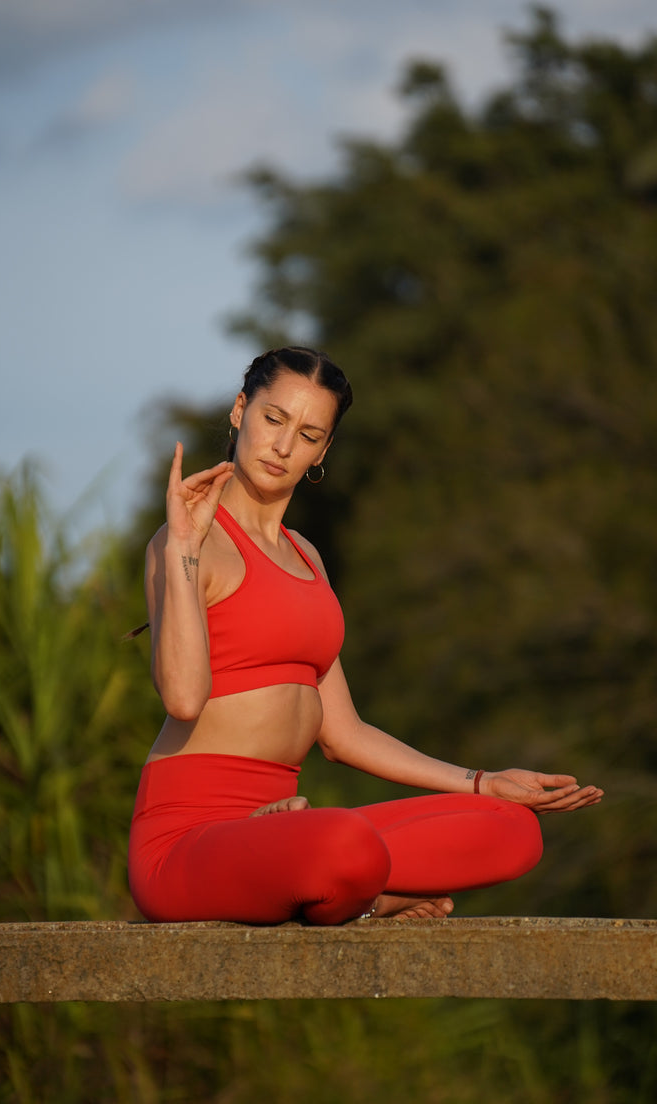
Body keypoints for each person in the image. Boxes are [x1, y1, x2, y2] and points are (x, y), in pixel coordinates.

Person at [127, 347, 602, 924]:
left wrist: (481, 783)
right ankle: (358, 893)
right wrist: (183, 547)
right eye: (273, 419)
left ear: (323, 449)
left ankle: (347, 891)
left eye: (307, 434)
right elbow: (181, 698)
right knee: (341, 842)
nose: (282, 446)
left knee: (514, 830)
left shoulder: (307, 557)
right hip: (189, 838)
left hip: (287, 823)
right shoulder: (181, 543)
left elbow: (343, 734)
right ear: (239, 410)